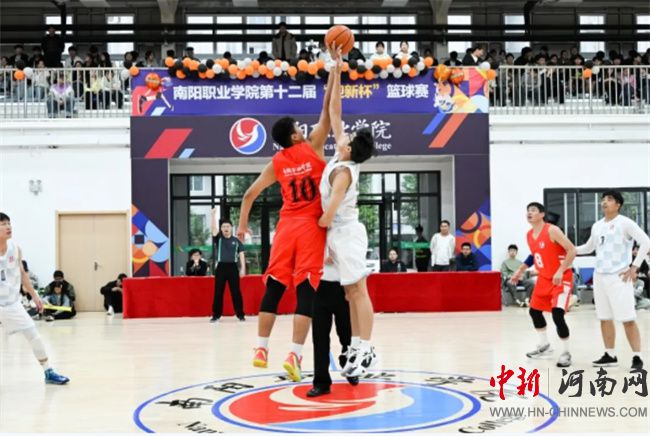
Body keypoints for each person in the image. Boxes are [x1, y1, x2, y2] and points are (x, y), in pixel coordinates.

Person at [237, 45, 337, 382]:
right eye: (298, 126)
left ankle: (261, 348)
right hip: (310, 227)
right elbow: (328, 110)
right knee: (306, 289)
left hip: (286, 228)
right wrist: (333, 72)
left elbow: (249, 195)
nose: (303, 127)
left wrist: (241, 228)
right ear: (295, 135)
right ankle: (294, 355)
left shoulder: (277, 162)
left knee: (276, 285)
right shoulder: (313, 146)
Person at [318, 46, 377, 378]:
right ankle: (355, 345)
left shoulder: (343, 172)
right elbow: (334, 110)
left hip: (346, 232)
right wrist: (337, 70)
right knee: (349, 292)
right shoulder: (340, 155)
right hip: (337, 233)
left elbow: (328, 215)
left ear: (350, 147)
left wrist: (311, 230)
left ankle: (366, 349)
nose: (343, 135)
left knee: (358, 290)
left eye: (348, 137)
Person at [575, 191, 650, 370]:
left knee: (628, 319)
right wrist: (570, 249)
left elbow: (646, 242)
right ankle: (610, 354)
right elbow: (588, 247)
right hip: (600, 276)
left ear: (618, 205)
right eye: (603, 199)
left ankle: (637, 357)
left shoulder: (625, 223)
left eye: (609, 199)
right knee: (604, 318)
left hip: (619, 276)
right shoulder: (597, 226)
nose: (604, 202)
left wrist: (635, 267)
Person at [0, 212, 70, 384]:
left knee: (33, 334)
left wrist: (35, 296)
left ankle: (48, 372)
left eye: (9, 223)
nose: (8, 227)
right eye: (3, 224)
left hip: (12, 303)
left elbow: (23, 274)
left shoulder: (15, 249)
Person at [510, 202, 577, 368]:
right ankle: (544, 345)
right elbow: (534, 256)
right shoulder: (529, 235)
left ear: (542, 214)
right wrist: (519, 271)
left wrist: (560, 271)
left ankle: (566, 352)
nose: (529, 213)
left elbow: (572, 250)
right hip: (544, 278)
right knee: (534, 311)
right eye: (527, 211)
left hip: (561, 277)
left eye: (533, 210)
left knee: (557, 314)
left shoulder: (552, 230)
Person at [308, 258, 359, 398]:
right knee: (319, 336)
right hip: (320, 285)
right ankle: (321, 383)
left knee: (347, 333)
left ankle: (348, 365)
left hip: (343, 286)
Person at [210, 215, 246, 322]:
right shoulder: (219, 239)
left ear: (231, 228)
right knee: (218, 292)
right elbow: (213, 229)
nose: (226, 228)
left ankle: (240, 314)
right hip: (221, 267)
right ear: (221, 229)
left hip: (233, 268)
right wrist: (213, 215)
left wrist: (243, 268)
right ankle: (216, 315)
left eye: (227, 226)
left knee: (236, 292)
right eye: (223, 226)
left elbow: (241, 254)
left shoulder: (236, 240)